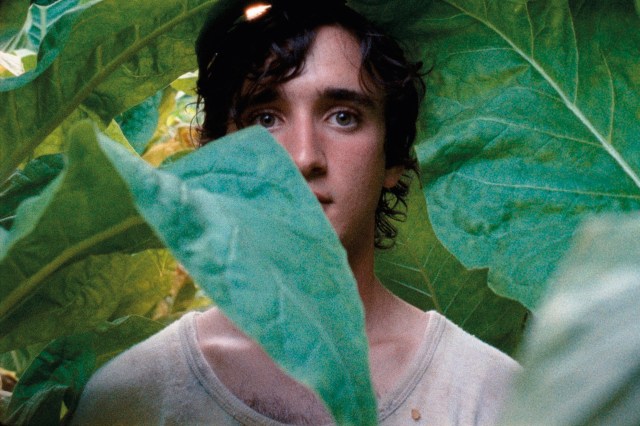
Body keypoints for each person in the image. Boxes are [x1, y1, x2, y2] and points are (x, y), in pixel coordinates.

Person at [71, 1, 520, 424]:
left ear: (394, 157)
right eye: (266, 118)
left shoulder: (493, 396)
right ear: (216, 153)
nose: (304, 157)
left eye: (343, 116)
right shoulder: (131, 397)